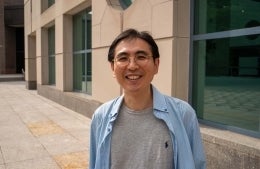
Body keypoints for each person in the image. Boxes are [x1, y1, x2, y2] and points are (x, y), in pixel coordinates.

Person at [89, 28, 206, 169]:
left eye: (141, 57)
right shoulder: (101, 117)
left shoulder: (183, 114)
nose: (132, 66)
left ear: (156, 64)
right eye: (123, 58)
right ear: (113, 67)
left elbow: (197, 164)